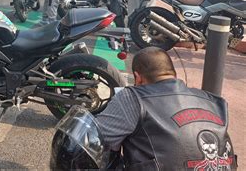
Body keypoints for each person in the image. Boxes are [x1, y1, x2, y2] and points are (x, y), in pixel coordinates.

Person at [94, 47, 236, 170]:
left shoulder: (133, 98)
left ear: (138, 78)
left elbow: (96, 138)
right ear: (173, 74)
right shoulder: (215, 102)